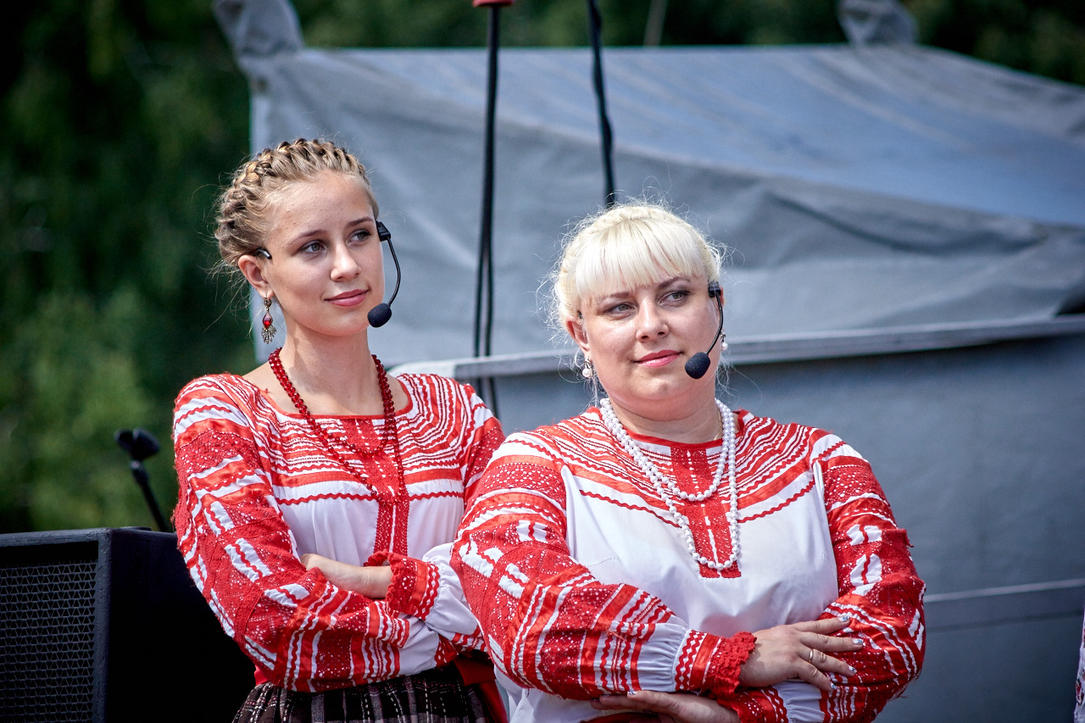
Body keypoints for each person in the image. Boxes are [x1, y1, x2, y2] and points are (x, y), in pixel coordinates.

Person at [451, 202, 925, 722]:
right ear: (581, 334)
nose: (652, 325)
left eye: (675, 296)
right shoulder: (534, 465)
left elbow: (893, 637)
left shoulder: (823, 461)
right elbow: (529, 629)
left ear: (717, 305)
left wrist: (739, 717)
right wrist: (735, 659)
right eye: (619, 308)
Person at [172, 138, 506, 722]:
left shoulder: (452, 410)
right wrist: (446, 633)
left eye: (360, 235)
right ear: (258, 273)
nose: (348, 265)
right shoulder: (225, 413)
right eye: (313, 247)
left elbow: (515, 584)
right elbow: (272, 620)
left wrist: (375, 583)